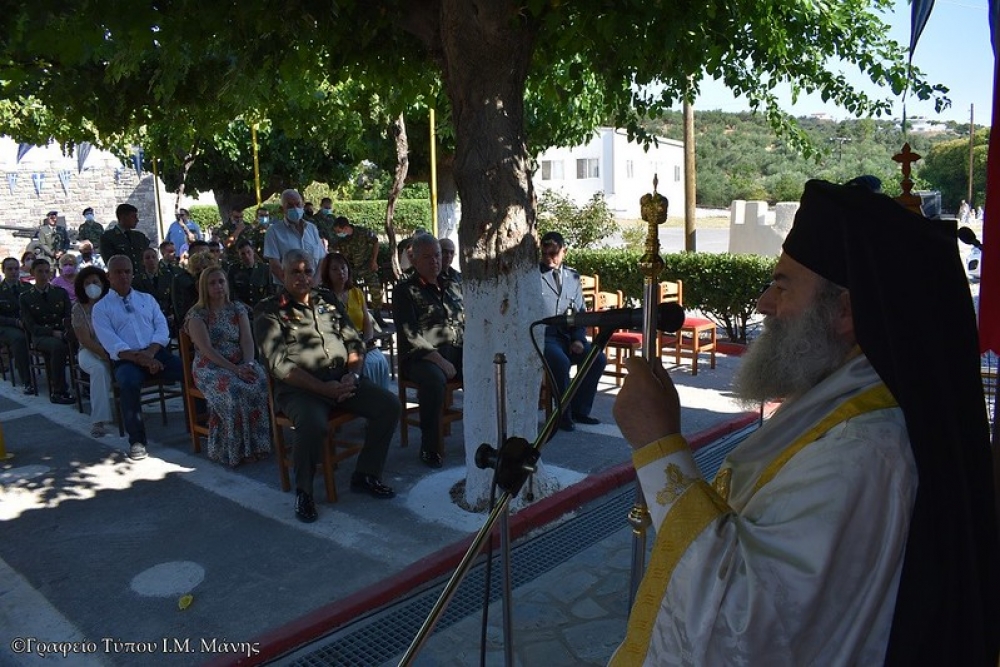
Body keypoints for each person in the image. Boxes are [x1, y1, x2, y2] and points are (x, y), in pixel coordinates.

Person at [610, 179, 999, 666]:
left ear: (844, 311)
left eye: (782, 284)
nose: (763, 303)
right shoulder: (837, 399)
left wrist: (659, 443)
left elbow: (742, 627)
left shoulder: (864, 447)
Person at [254, 249, 399, 523]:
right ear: (281, 274)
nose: (302, 277)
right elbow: (279, 365)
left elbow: (354, 342)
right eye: (295, 271)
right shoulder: (269, 310)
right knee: (312, 425)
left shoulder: (328, 299)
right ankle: (304, 492)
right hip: (301, 389)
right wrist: (325, 390)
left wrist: (353, 376)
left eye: (307, 271)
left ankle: (366, 474)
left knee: (389, 406)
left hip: (343, 381)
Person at [92, 255, 183, 461]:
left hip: (155, 352)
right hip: (128, 359)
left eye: (127, 271)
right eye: (118, 272)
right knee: (128, 383)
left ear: (133, 273)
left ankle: (202, 422)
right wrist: (142, 360)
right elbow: (112, 343)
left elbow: (161, 328)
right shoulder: (101, 308)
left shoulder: (147, 299)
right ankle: (137, 440)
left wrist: (151, 354)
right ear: (108, 276)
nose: (123, 276)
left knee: (190, 371)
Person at [185, 267, 271, 467]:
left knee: (261, 380)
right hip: (211, 366)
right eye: (212, 283)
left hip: (241, 361)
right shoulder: (197, 315)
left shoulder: (237, 309)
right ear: (204, 287)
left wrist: (248, 364)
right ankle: (237, 449)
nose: (218, 287)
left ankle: (258, 444)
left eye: (221, 282)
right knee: (234, 389)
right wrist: (234, 370)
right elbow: (206, 350)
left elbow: (247, 341)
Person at [392, 233, 464, 468]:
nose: (435, 261)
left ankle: (484, 434)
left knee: (488, 369)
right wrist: (439, 361)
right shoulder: (405, 290)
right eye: (427, 257)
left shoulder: (452, 283)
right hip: (421, 357)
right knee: (434, 381)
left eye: (437, 255)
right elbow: (411, 335)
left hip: (455, 349)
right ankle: (430, 446)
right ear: (414, 260)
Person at [538, 231, 605, 431]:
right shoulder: (533, 276)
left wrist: (578, 338)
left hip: (567, 336)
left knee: (597, 358)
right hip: (545, 337)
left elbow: (580, 311)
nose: (549, 258)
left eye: (554, 253)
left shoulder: (572, 277)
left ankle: (580, 410)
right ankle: (562, 415)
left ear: (564, 251)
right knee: (560, 362)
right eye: (545, 253)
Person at [319, 251, 391, 390]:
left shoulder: (356, 292)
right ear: (327, 272)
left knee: (379, 360)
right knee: (364, 366)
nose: (340, 272)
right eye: (334, 269)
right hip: (340, 345)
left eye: (343, 268)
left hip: (361, 342)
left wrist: (364, 342)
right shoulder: (323, 297)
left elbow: (367, 323)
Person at [19, 258, 75, 404]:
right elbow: (31, 326)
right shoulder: (26, 297)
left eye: (46, 271)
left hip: (61, 331)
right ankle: (58, 391)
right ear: (32, 273)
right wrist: (51, 332)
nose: (44, 275)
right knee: (58, 347)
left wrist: (66, 330)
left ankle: (86, 383)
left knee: (82, 341)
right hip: (41, 336)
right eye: (40, 272)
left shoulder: (60, 293)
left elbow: (68, 315)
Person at [71, 266, 113, 438]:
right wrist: (105, 355)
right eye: (87, 283)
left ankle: (132, 409)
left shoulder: (111, 303)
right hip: (89, 351)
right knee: (99, 369)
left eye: (95, 282)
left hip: (113, 348)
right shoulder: (78, 309)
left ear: (103, 283)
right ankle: (98, 420)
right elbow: (85, 340)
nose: (91, 286)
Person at [262, 189, 326, 288]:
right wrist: (294, 286)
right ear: (282, 209)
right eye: (290, 206)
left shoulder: (312, 228)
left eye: (298, 204)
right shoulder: (273, 232)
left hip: (314, 288)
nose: (295, 208)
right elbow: (275, 265)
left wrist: (314, 283)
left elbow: (322, 259)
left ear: (303, 205)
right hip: (287, 290)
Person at [329, 216, 383, 315]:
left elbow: (375, 243)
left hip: (366, 266)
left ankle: (377, 314)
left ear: (345, 228)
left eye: (338, 231)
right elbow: (331, 249)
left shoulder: (362, 232)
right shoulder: (340, 239)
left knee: (376, 289)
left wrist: (374, 261)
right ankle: (353, 313)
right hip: (350, 269)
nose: (337, 234)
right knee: (347, 290)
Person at [0, 257, 34, 394]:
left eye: (16, 268)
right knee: (19, 339)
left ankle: (55, 379)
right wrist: (15, 322)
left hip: (27, 324)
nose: (14, 272)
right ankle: (27, 381)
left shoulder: (27, 288)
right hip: (6, 327)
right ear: (3, 271)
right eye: (10, 269)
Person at [171, 241, 215, 324]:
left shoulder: (218, 277)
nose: (202, 258)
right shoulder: (181, 280)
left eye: (206, 255)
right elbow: (181, 313)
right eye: (197, 255)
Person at [99, 203, 150, 272]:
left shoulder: (139, 236)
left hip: (141, 279)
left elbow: (148, 257)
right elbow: (110, 262)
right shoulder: (108, 237)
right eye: (133, 217)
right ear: (123, 217)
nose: (137, 220)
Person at [133, 247, 174, 329]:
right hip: (148, 321)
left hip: (167, 319)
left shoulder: (168, 277)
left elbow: (173, 298)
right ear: (142, 262)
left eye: (154, 257)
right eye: (147, 258)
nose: (151, 260)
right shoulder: (137, 281)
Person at [227, 239, 271, 308]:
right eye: (243, 254)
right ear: (239, 255)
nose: (247, 256)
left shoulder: (264, 269)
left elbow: (270, 292)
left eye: (248, 252)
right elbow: (231, 293)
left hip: (261, 309)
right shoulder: (234, 270)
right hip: (240, 310)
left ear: (253, 251)